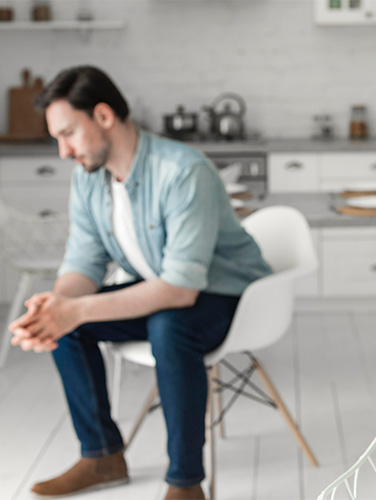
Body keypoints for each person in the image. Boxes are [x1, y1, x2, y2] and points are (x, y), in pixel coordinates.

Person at [9, 66, 272, 500]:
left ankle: (186, 484)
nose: (63, 151)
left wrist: (74, 309)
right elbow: (83, 263)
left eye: (69, 133)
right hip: (163, 290)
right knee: (67, 327)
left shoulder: (183, 172)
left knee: (169, 326)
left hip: (227, 294)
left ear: (104, 116)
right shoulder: (89, 178)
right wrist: (54, 309)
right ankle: (102, 456)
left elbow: (181, 290)